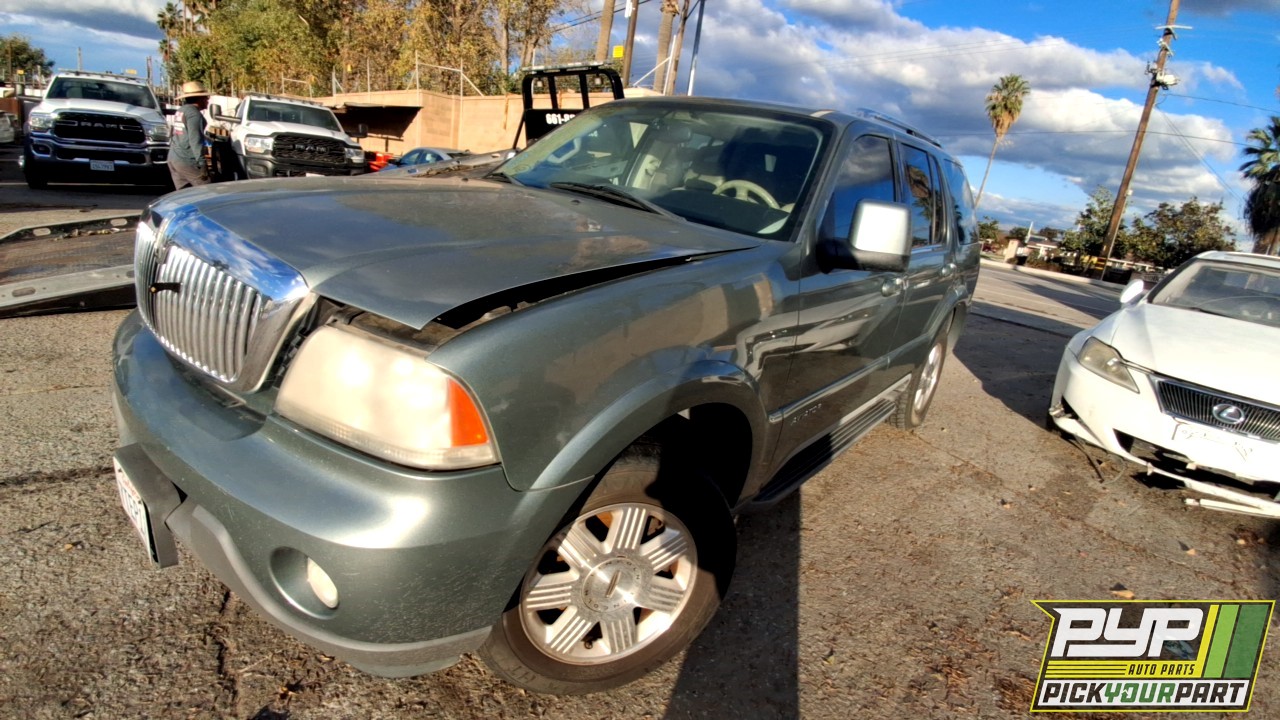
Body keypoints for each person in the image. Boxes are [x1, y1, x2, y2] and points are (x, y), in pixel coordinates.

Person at [169, 80, 211, 189]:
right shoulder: (194, 114)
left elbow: (176, 133)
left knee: (184, 195)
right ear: (199, 99)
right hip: (187, 160)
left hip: (174, 158)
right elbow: (195, 140)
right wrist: (202, 165)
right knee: (206, 191)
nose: (207, 100)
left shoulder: (181, 110)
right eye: (206, 98)